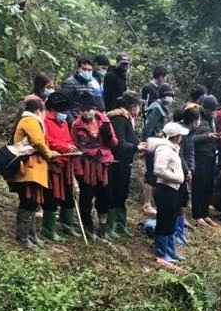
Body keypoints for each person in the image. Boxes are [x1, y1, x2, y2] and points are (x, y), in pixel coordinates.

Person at [7, 95, 56, 250]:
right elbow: (38, 142)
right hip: (28, 169)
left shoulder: (29, 120)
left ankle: (31, 235)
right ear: (38, 111)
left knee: (33, 202)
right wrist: (49, 154)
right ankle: (22, 236)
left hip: (34, 169)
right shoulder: (30, 121)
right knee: (28, 202)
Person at [71, 103, 118, 240]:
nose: (87, 113)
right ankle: (88, 228)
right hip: (87, 166)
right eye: (84, 110)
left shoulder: (104, 121)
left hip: (105, 165)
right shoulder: (76, 125)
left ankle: (102, 229)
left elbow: (114, 143)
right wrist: (78, 170)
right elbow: (74, 148)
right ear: (80, 111)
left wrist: (108, 134)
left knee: (105, 198)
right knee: (86, 199)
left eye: (89, 109)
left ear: (94, 110)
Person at [103, 92, 144, 239]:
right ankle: (110, 226)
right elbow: (119, 144)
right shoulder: (119, 119)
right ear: (133, 107)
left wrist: (137, 145)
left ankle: (120, 224)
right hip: (116, 163)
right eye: (138, 106)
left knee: (122, 194)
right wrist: (135, 148)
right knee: (114, 194)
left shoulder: (127, 118)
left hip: (125, 163)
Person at [42, 92, 79, 242]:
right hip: (53, 164)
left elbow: (69, 139)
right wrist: (64, 147)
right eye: (60, 110)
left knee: (69, 195)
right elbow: (47, 140)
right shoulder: (44, 120)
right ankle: (48, 228)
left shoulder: (63, 122)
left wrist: (72, 147)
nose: (62, 114)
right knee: (51, 196)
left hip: (67, 165)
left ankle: (67, 224)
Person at [150, 121, 188, 265]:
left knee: (171, 220)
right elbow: (159, 170)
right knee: (164, 221)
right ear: (176, 136)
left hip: (173, 189)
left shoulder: (173, 149)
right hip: (165, 189)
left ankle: (171, 250)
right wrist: (176, 177)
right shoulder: (164, 150)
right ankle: (161, 252)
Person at [142, 84, 176, 215]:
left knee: (156, 174)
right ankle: (146, 203)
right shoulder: (156, 108)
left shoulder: (163, 108)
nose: (170, 98)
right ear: (162, 95)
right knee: (151, 174)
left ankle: (152, 201)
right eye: (169, 95)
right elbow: (148, 128)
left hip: (159, 143)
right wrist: (146, 144)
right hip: (153, 144)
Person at [190, 97, 220, 227]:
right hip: (199, 156)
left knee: (209, 186)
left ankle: (205, 213)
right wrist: (206, 136)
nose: (212, 112)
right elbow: (190, 138)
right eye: (211, 110)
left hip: (211, 156)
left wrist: (217, 136)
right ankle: (197, 215)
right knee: (198, 187)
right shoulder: (196, 117)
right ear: (205, 107)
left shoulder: (211, 119)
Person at [175, 106, 200, 245]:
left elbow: (191, 153)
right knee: (178, 199)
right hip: (178, 171)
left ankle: (181, 226)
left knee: (184, 198)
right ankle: (176, 231)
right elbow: (180, 153)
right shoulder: (181, 131)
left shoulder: (191, 132)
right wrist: (186, 170)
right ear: (194, 120)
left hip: (187, 170)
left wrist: (192, 168)